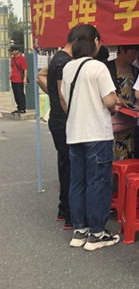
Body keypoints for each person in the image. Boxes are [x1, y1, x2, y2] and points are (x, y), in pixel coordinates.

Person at [60, 24, 122, 251]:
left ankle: (80, 230)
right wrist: (115, 104)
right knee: (98, 183)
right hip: (96, 133)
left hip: (74, 133)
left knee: (78, 182)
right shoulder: (98, 67)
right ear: (95, 42)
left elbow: (64, 100)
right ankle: (97, 233)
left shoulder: (68, 68)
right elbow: (109, 100)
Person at [37, 26, 80, 228]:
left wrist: (53, 95)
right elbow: (63, 95)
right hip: (63, 120)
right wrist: (70, 110)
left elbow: (40, 77)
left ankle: (64, 209)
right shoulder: (65, 61)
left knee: (65, 165)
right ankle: (71, 215)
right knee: (71, 167)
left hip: (56, 118)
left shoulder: (57, 58)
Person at [106, 46, 139, 159]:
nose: (135, 57)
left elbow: (138, 93)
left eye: (136, 53)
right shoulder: (107, 69)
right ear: (121, 50)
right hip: (112, 121)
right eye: (132, 52)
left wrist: (136, 105)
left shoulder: (135, 71)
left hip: (129, 121)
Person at [10, 47, 28, 114]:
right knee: (16, 94)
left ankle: (22, 108)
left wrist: (25, 78)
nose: (11, 52)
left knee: (20, 93)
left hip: (19, 79)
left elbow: (25, 69)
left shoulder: (22, 58)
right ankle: (19, 107)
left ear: (17, 51)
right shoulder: (12, 59)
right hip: (13, 78)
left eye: (12, 51)